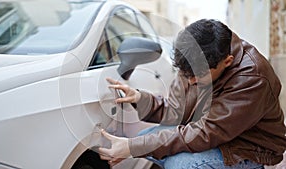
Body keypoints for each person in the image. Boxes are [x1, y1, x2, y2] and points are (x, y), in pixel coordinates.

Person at [98, 19, 286, 168]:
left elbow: (204, 133)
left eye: (198, 76)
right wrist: (141, 99)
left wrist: (132, 148)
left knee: (181, 164)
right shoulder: (192, 61)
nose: (190, 81)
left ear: (227, 62)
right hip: (213, 135)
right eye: (186, 74)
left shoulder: (252, 78)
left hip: (247, 147)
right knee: (146, 137)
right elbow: (175, 112)